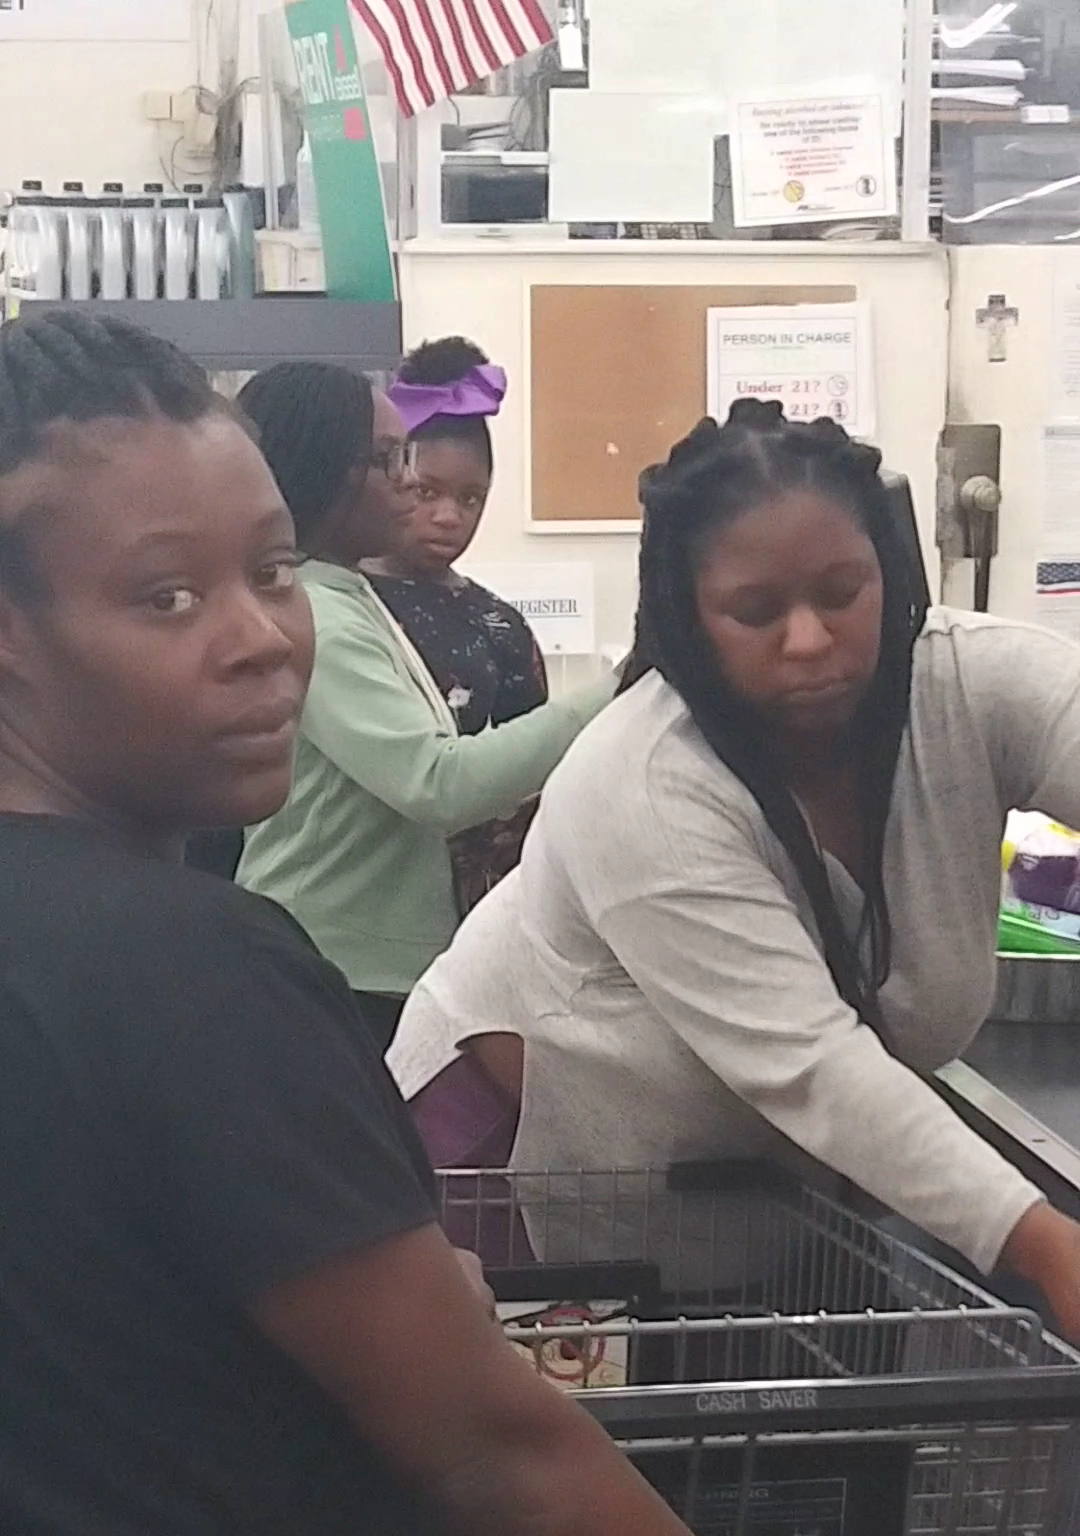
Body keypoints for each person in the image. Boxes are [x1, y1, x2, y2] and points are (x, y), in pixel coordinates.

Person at [0, 314, 976, 1536]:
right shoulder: (192, 976)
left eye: (274, 571)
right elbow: (495, 1450)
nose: (262, 640)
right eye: (165, 597)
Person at [390, 401, 1080, 1337]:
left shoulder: (968, 685)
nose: (810, 639)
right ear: (687, 616)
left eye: (842, 591)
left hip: (764, 1191)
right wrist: (1047, 1244)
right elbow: (811, 1064)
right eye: (756, 611)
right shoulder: (644, 780)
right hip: (528, 1166)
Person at [235, 361, 610, 1052]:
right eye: (389, 460)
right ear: (324, 473)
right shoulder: (321, 615)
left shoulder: (352, 597)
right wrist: (620, 690)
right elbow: (438, 784)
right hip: (335, 968)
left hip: (374, 968)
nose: (409, 483)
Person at [367, 336, 550, 912]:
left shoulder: (498, 625)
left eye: (471, 499)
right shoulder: (340, 604)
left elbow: (536, 769)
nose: (448, 517)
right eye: (428, 492)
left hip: (479, 906)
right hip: (361, 894)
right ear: (393, 479)